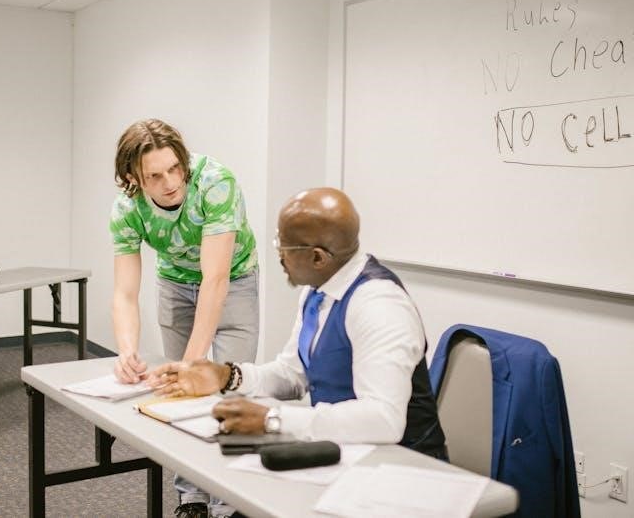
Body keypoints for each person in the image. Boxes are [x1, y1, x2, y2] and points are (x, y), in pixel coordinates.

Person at [148, 187, 447, 460]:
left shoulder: (379, 306)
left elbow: (383, 420)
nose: (279, 255)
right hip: (344, 453)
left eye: (284, 247)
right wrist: (227, 376)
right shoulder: (318, 291)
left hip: (403, 467)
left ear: (318, 258)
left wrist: (272, 419)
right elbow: (293, 374)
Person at [109, 118, 259, 518]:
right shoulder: (127, 208)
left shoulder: (215, 182)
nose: (171, 182)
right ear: (133, 178)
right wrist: (127, 351)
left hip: (233, 279)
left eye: (175, 168)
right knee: (179, 395)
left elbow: (215, 279)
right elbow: (125, 292)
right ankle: (191, 498)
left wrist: (193, 364)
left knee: (230, 387)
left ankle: (228, 503)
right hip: (175, 282)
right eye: (155, 176)